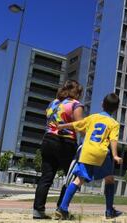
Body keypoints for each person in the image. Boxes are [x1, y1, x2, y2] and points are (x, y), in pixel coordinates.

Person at [55, 93, 123, 220]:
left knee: (78, 180)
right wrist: (115, 155)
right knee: (109, 179)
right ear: (116, 108)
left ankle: (62, 208)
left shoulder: (93, 117)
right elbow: (113, 139)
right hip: (101, 153)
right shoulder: (114, 123)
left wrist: (62, 126)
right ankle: (109, 211)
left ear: (102, 104)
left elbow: (77, 124)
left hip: (86, 151)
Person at [33, 80, 84, 219]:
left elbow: (48, 117)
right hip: (66, 142)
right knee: (71, 177)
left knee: (46, 177)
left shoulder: (53, 103)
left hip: (48, 140)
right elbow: (79, 126)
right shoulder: (75, 104)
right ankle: (61, 209)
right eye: (80, 93)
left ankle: (38, 211)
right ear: (76, 92)